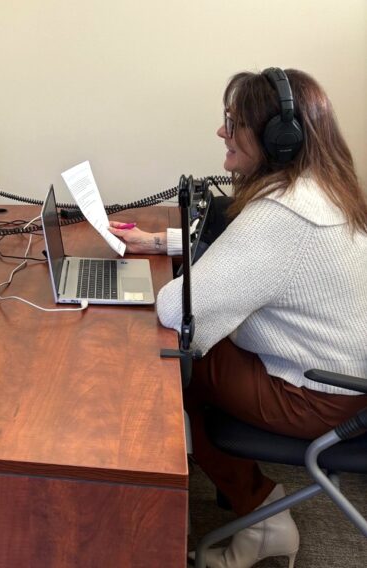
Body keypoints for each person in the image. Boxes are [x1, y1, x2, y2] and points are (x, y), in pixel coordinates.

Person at [140, 69, 367, 567]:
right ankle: (247, 500)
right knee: (187, 356)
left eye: (233, 121)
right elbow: (250, 256)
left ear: (277, 138)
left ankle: (260, 517)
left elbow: (177, 310)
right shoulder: (322, 191)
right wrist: (161, 244)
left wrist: (160, 279)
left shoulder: (283, 214)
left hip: (317, 396)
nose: (222, 132)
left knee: (167, 369)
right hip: (348, 381)